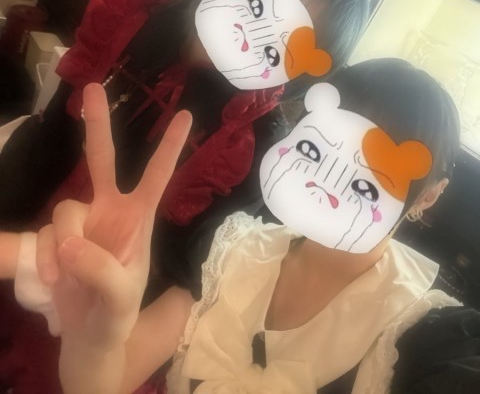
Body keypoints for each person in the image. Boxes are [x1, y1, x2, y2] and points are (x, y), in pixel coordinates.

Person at [0, 0, 369, 394]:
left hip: (96, 318)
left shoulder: (254, 146)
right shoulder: (134, 17)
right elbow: (50, 137)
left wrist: (98, 347)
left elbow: (184, 277)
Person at [2, 58, 479, 394]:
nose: (330, 180)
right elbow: (103, 383)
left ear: (429, 195)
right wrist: (94, 341)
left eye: (369, 174)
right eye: (316, 148)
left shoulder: (430, 337)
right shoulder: (232, 249)